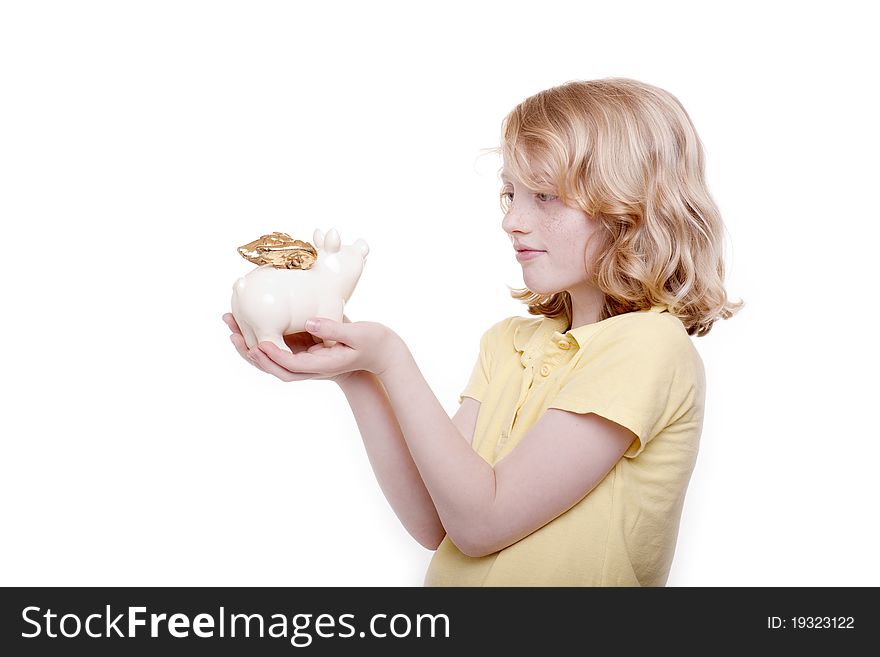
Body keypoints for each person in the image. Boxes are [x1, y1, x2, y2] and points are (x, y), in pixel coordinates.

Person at [222, 77, 742, 586]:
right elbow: (435, 521)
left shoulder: (647, 346)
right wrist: (357, 372)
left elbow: (481, 524)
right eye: (510, 193)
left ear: (631, 209)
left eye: (544, 195)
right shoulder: (508, 343)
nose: (512, 220)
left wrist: (392, 359)